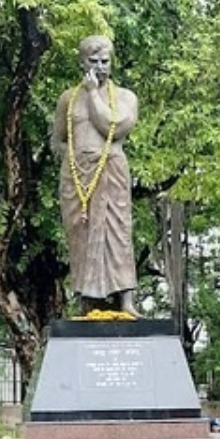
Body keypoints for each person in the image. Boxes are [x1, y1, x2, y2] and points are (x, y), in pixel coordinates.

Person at [52, 35, 139, 316]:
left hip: (111, 169)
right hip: (78, 176)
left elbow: (112, 127)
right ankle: (86, 298)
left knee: (118, 232)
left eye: (105, 61)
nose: (100, 66)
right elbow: (58, 140)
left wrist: (92, 93)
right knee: (80, 235)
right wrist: (74, 159)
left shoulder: (125, 97)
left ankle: (125, 299)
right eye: (93, 61)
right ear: (81, 62)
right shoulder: (68, 98)